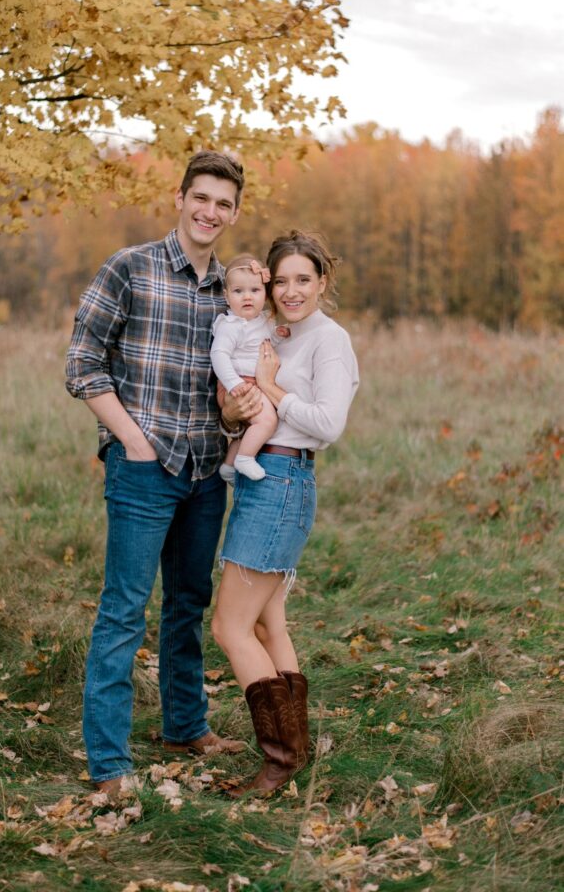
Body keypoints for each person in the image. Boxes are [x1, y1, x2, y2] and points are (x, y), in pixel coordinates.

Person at [65, 150, 261, 799]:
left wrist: (236, 418)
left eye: (223, 204)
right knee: (124, 611)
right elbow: (82, 364)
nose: (210, 211)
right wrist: (131, 441)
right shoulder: (131, 267)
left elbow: (232, 385)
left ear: (233, 214)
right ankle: (109, 764)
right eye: (201, 197)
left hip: (205, 470)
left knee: (188, 604)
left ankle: (184, 725)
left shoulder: (232, 296)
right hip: (143, 469)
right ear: (180, 197)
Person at [211, 230, 360, 796]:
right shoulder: (275, 332)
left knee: (228, 626)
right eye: (282, 281)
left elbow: (327, 424)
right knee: (268, 622)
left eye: (304, 279)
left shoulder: (331, 340)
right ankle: (293, 748)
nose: (291, 291)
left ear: (323, 281)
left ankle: (280, 758)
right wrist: (238, 406)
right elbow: (240, 407)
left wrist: (271, 388)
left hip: (283, 482)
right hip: (262, 477)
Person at [210, 254, 281, 483]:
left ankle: (229, 466)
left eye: (255, 290)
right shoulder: (231, 325)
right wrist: (234, 383)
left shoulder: (263, 321)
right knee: (267, 421)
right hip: (238, 383)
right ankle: (245, 459)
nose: (247, 297)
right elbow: (219, 354)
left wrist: (282, 334)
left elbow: (272, 340)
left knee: (247, 428)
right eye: (238, 291)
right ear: (227, 296)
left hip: (252, 382)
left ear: (265, 293)